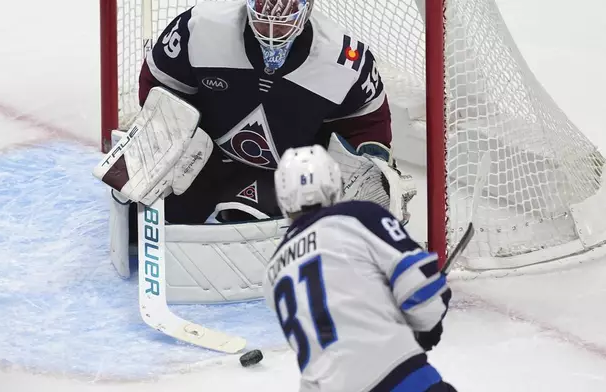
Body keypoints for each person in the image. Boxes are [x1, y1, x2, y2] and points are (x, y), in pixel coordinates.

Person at [135, 0, 414, 224]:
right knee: (146, 209)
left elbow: (367, 124)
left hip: (290, 177)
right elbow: (159, 84)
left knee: (252, 222)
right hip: (204, 161)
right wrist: (175, 140)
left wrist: (374, 168)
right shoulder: (200, 25)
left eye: (287, 9)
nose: (274, 22)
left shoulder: (346, 59)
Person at [263, 145, 455, 392]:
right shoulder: (359, 216)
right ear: (335, 182)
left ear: (282, 197)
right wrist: (427, 327)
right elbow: (421, 290)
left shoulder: (272, 273)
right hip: (396, 377)